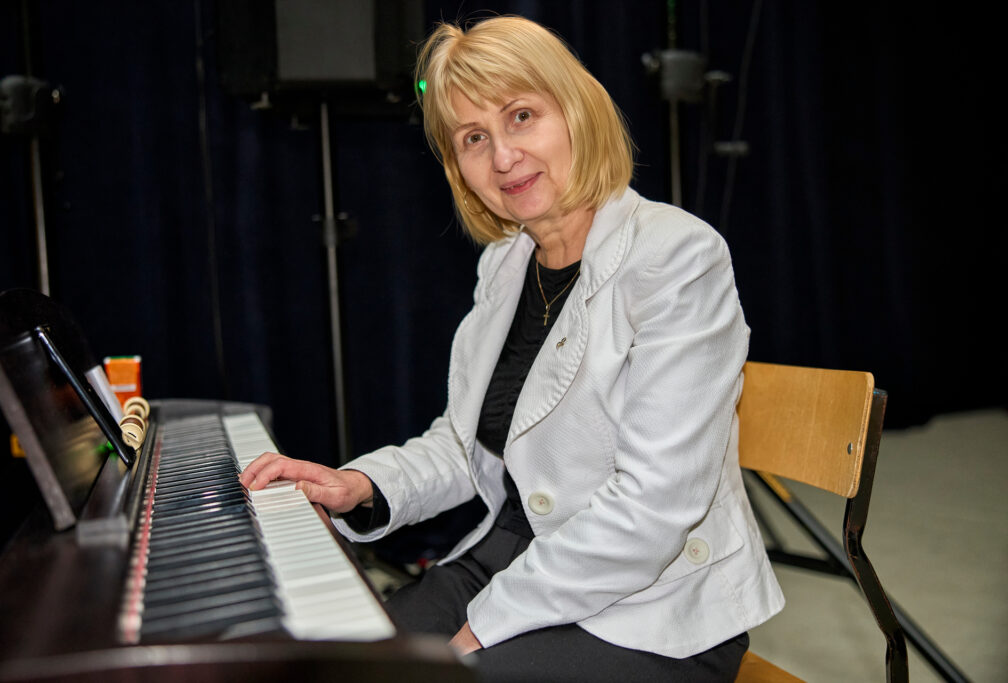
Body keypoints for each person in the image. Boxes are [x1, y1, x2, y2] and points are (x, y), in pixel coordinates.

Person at [240, 15, 784, 682]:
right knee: (331, 666)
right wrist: (359, 485)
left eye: (521, 116)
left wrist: (485, 626)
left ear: (577, 112)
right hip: (512, 556)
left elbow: (651, 509)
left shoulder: (678, 256)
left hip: (654, 605)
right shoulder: (505, 261)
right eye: (474, 138)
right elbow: (464, 444)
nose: (502, 157)